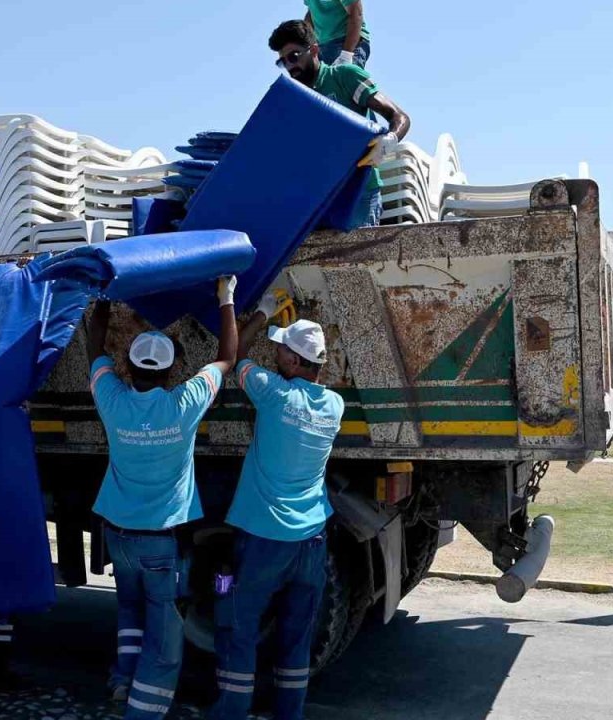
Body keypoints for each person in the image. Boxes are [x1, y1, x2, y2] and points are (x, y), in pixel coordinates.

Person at [86, 278, 239, 719]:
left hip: (118, 535)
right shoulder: (183, 404)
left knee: (129, 609)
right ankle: (145, 709)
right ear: (171, 372)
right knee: (164, 634)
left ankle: (121, 680)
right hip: (159, 543)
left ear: (128, 369)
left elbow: (94, 347)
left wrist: (102, 298)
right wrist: (225, 298)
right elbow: (227, 359)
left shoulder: (110, 399)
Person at [205, 297, 345, 720]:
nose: (275, 352)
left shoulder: (274, 395)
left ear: (296, 361)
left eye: (282, 349)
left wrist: (259, 312)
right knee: (296, 637)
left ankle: (231, 709)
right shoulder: (333, 406)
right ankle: (289, 713)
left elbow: (235, 354)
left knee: (236, 621)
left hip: (266, 540)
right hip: (311, 543)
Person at [270, 19, 411, 228]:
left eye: (294, 57)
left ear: (315, 50)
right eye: (283, 62)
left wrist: (388, 142)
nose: (290, 66)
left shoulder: (345, 77)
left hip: (359, 195)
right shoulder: (296, 99)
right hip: (320, 199)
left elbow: (399, 117)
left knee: (362, 261)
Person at [303, 0, 370, 67]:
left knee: (345, 76)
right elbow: (311, 11)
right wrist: (304, 42)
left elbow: (356, 14)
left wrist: (346, 54)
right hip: (321, 46)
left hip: (347, 42)